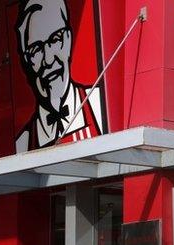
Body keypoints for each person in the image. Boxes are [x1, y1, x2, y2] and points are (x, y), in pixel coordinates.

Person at [14, 0, 106, 153]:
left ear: (69, 39)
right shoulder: (22, 143)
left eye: (55, 39)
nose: (48, 60)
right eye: (36, 49)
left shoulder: (98, 104)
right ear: (26, 60)